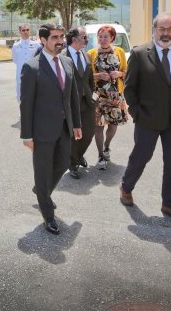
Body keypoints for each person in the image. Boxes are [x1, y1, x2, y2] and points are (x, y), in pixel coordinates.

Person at [120, 12, 171, 223]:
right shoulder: (139, 53)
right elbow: (129, 88)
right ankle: (126, 186)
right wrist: (137, 113)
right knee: (141, 157)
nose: (166, 33)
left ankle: (170, 204)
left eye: (170, 28)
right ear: (154, 29)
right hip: (147, 119)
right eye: (162, 29)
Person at [20, 24, 82, 234]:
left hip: (64, 127)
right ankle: (48, 215)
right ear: (43, 40)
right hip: (41, 130)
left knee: (63, 164)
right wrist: (27, 135)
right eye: (54, 37)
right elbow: (26, 104)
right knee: (43, 171)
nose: (60, 41)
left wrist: (77, 124)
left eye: (61, 36)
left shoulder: (67, 62)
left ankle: (41, 191)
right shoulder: (32, 67)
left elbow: (72, 96)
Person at [88, 24, 129, 170]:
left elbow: (127, 72)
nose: (102, 39)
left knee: (113, 124)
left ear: (112, 38)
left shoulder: (120, 52)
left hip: (115, 95)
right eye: (100, 36)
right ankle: (100, 155)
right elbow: (86, 76)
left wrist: (119, 73)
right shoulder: (91, 53)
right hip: (98, 95)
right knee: (98, 126)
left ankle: (107, 146)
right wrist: (97, 75)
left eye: (106, 36)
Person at [62, 26, 95, 179]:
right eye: (84, 37)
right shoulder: (62, 56)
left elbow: (90, 78)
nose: (87, 39)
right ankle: (73, 163)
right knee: (73, 134)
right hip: (70, 102)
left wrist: (93, 94)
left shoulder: (86, 55)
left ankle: (79, 155)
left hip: (87, 100)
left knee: (89, 132)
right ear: (74, 39)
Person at [12, 23, 41, 102]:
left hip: (34, 73)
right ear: (20, 32)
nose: (26, 32)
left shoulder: (36, 44)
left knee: (34, 93)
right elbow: (15, 60)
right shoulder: (16, 45)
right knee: (21, 93)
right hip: (20, 73)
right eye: (23, 30)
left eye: (27, 30)